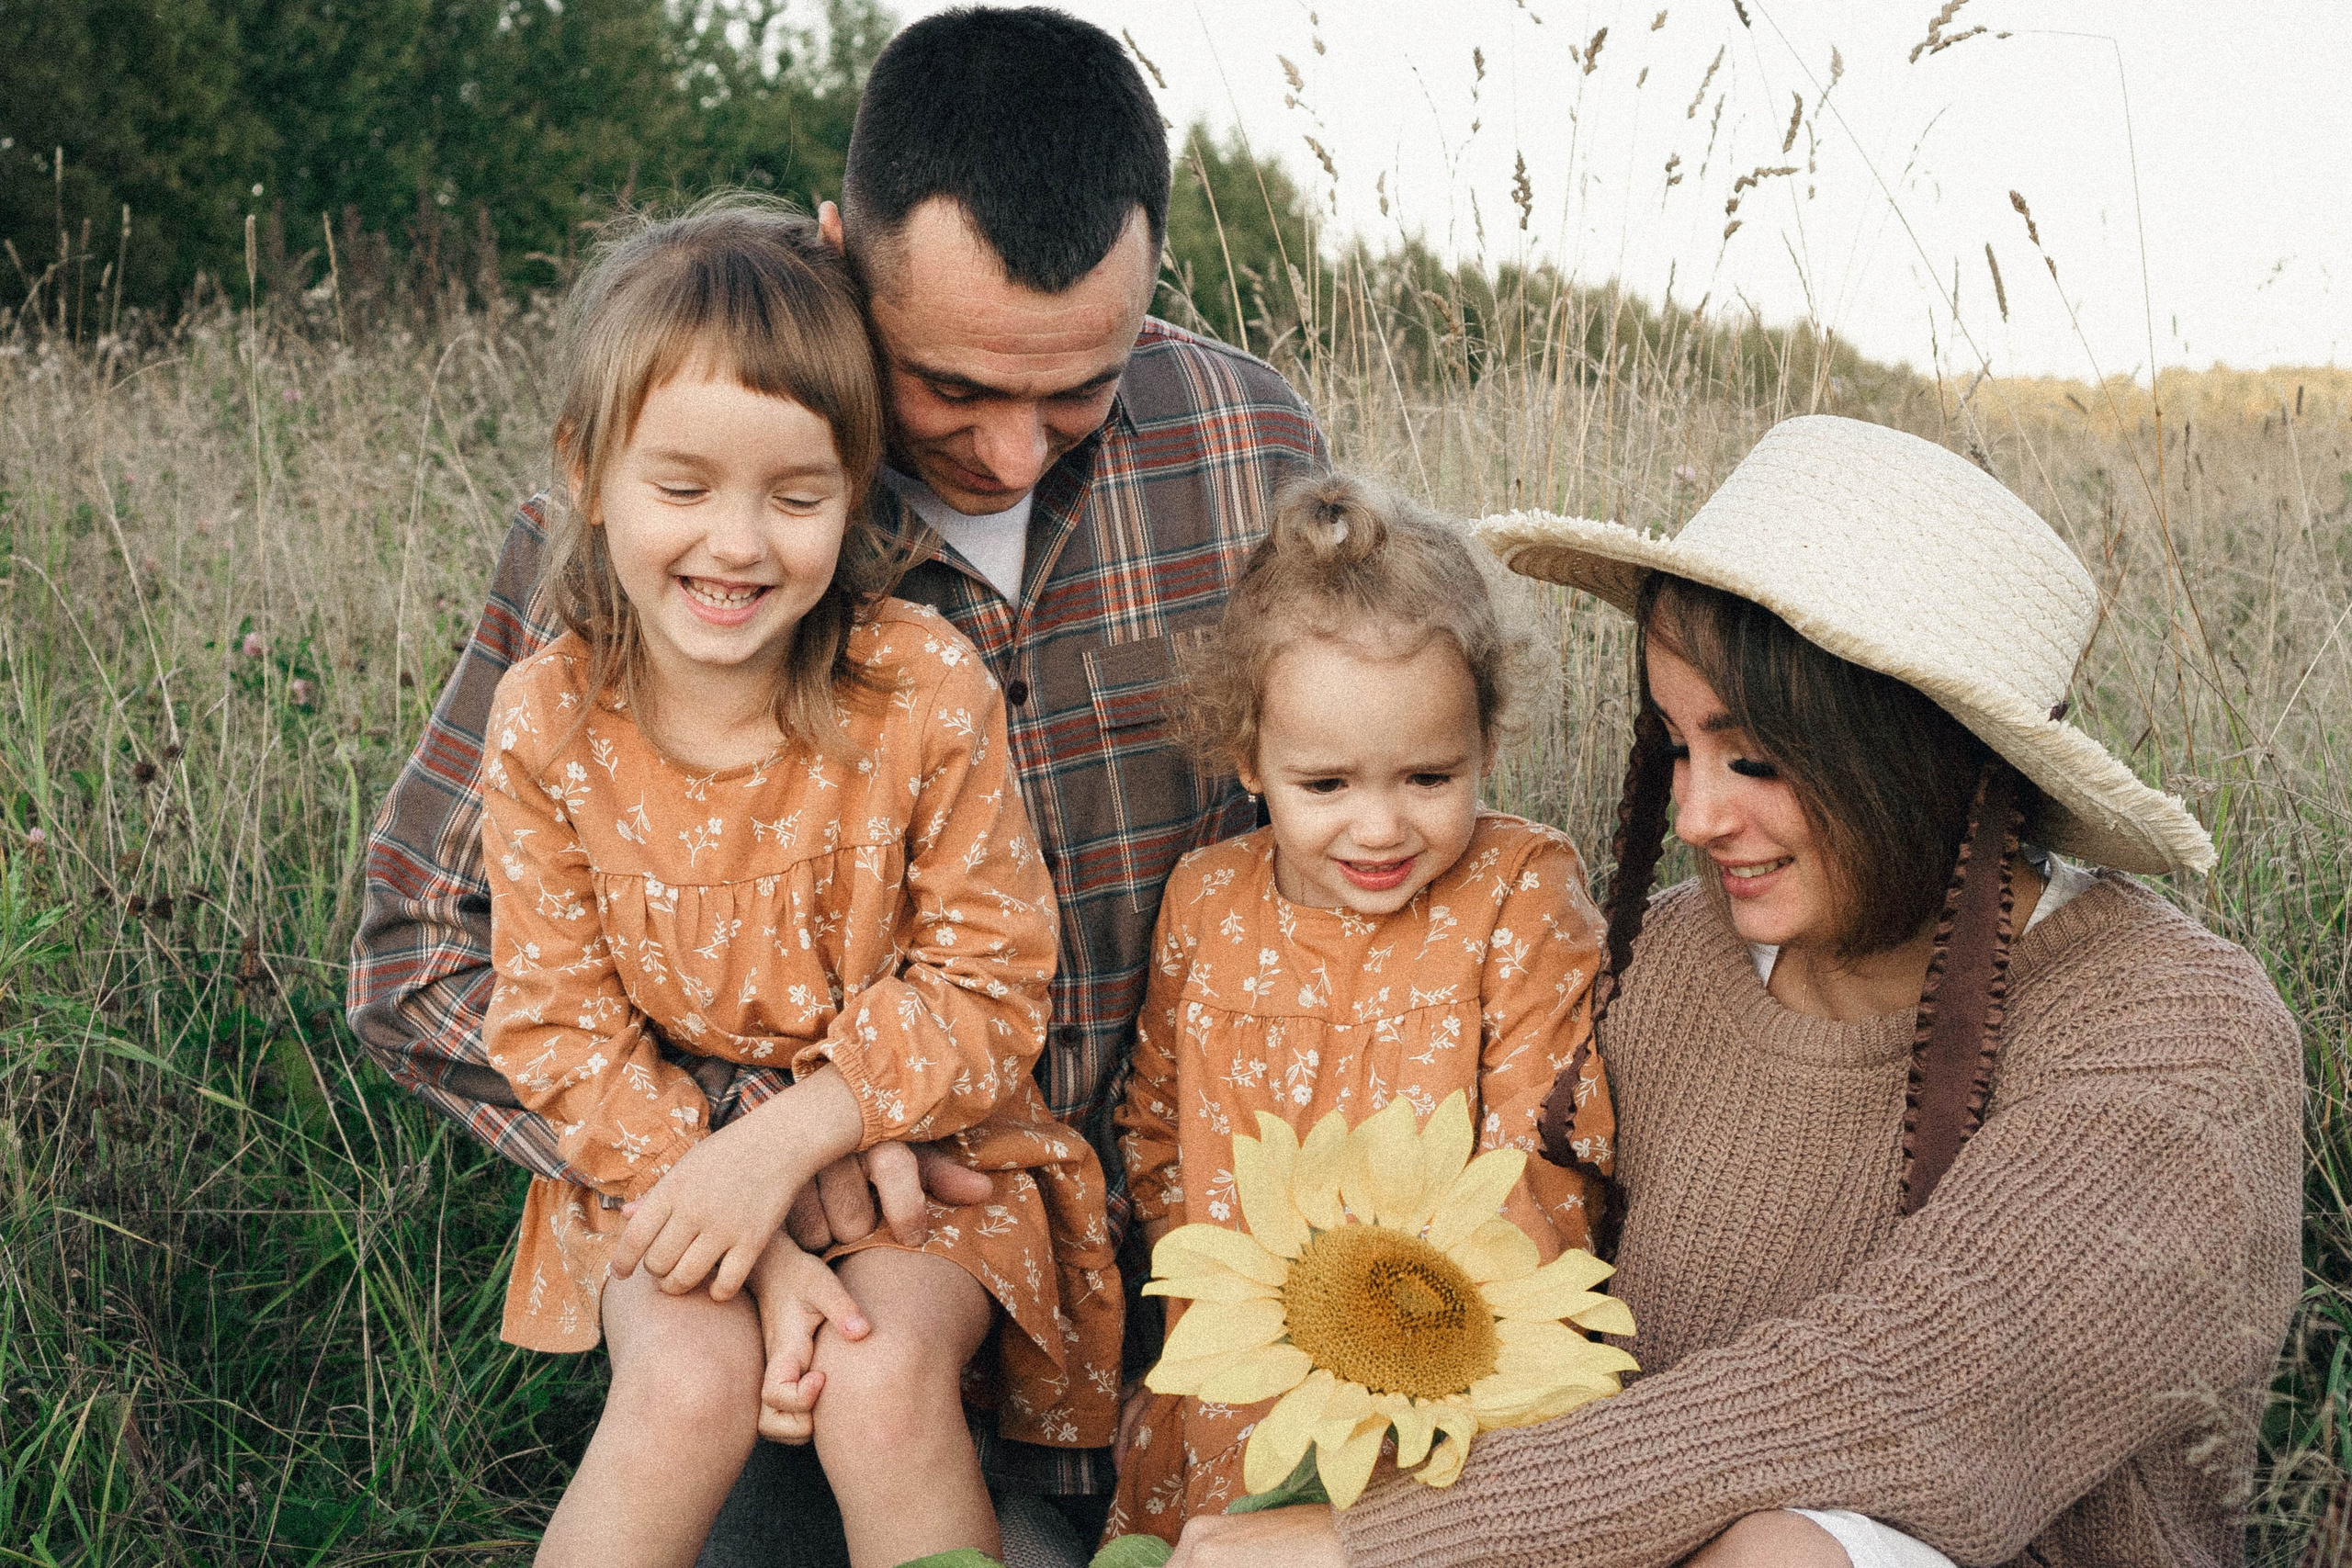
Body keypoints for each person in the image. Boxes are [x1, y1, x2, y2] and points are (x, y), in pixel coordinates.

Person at [345, 8, 1324, 1562]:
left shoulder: (1249, 445)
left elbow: (1328, 856)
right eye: (950, 387)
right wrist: (766, 1148)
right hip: (779, 1320)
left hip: (1148, 1291)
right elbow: (418, 952)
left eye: (1079, 389)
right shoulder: (660, 522)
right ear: (838, 255)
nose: (1014, 452)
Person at [1155, 416, 2302, 1568]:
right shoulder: (1669, 962)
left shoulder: (2173, 1032)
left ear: (1914, 751)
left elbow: (1911, 1385)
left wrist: (1376, 1543)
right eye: (1676, 747)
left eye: (1752, 759)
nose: (1698, 816)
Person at [469, 197, 1117, 1568]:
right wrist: (744, 1223)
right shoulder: (549, 719)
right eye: (684, 488)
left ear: (856, 487)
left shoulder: (919, 688)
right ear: (589, 471)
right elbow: (557, 1026)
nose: (739, 543)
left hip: (934, 1156)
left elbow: (993, 979)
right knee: (685, 1383)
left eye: (797, 496)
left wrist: (788, 1143)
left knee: (877, 1376)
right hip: (661, 1167)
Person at [1101, 476, 1621, 1546]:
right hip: (1237, 1370)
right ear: (1249, 758)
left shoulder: (1516, 891)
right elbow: (1154, 1119)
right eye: (1326, 785)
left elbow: (1544, 1152)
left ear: (1486, 744)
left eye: (1428, 777)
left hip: (1443, 1379)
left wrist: (1446, 1355)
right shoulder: (1206, 898)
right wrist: (1220, 1294)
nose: (1378, 828)